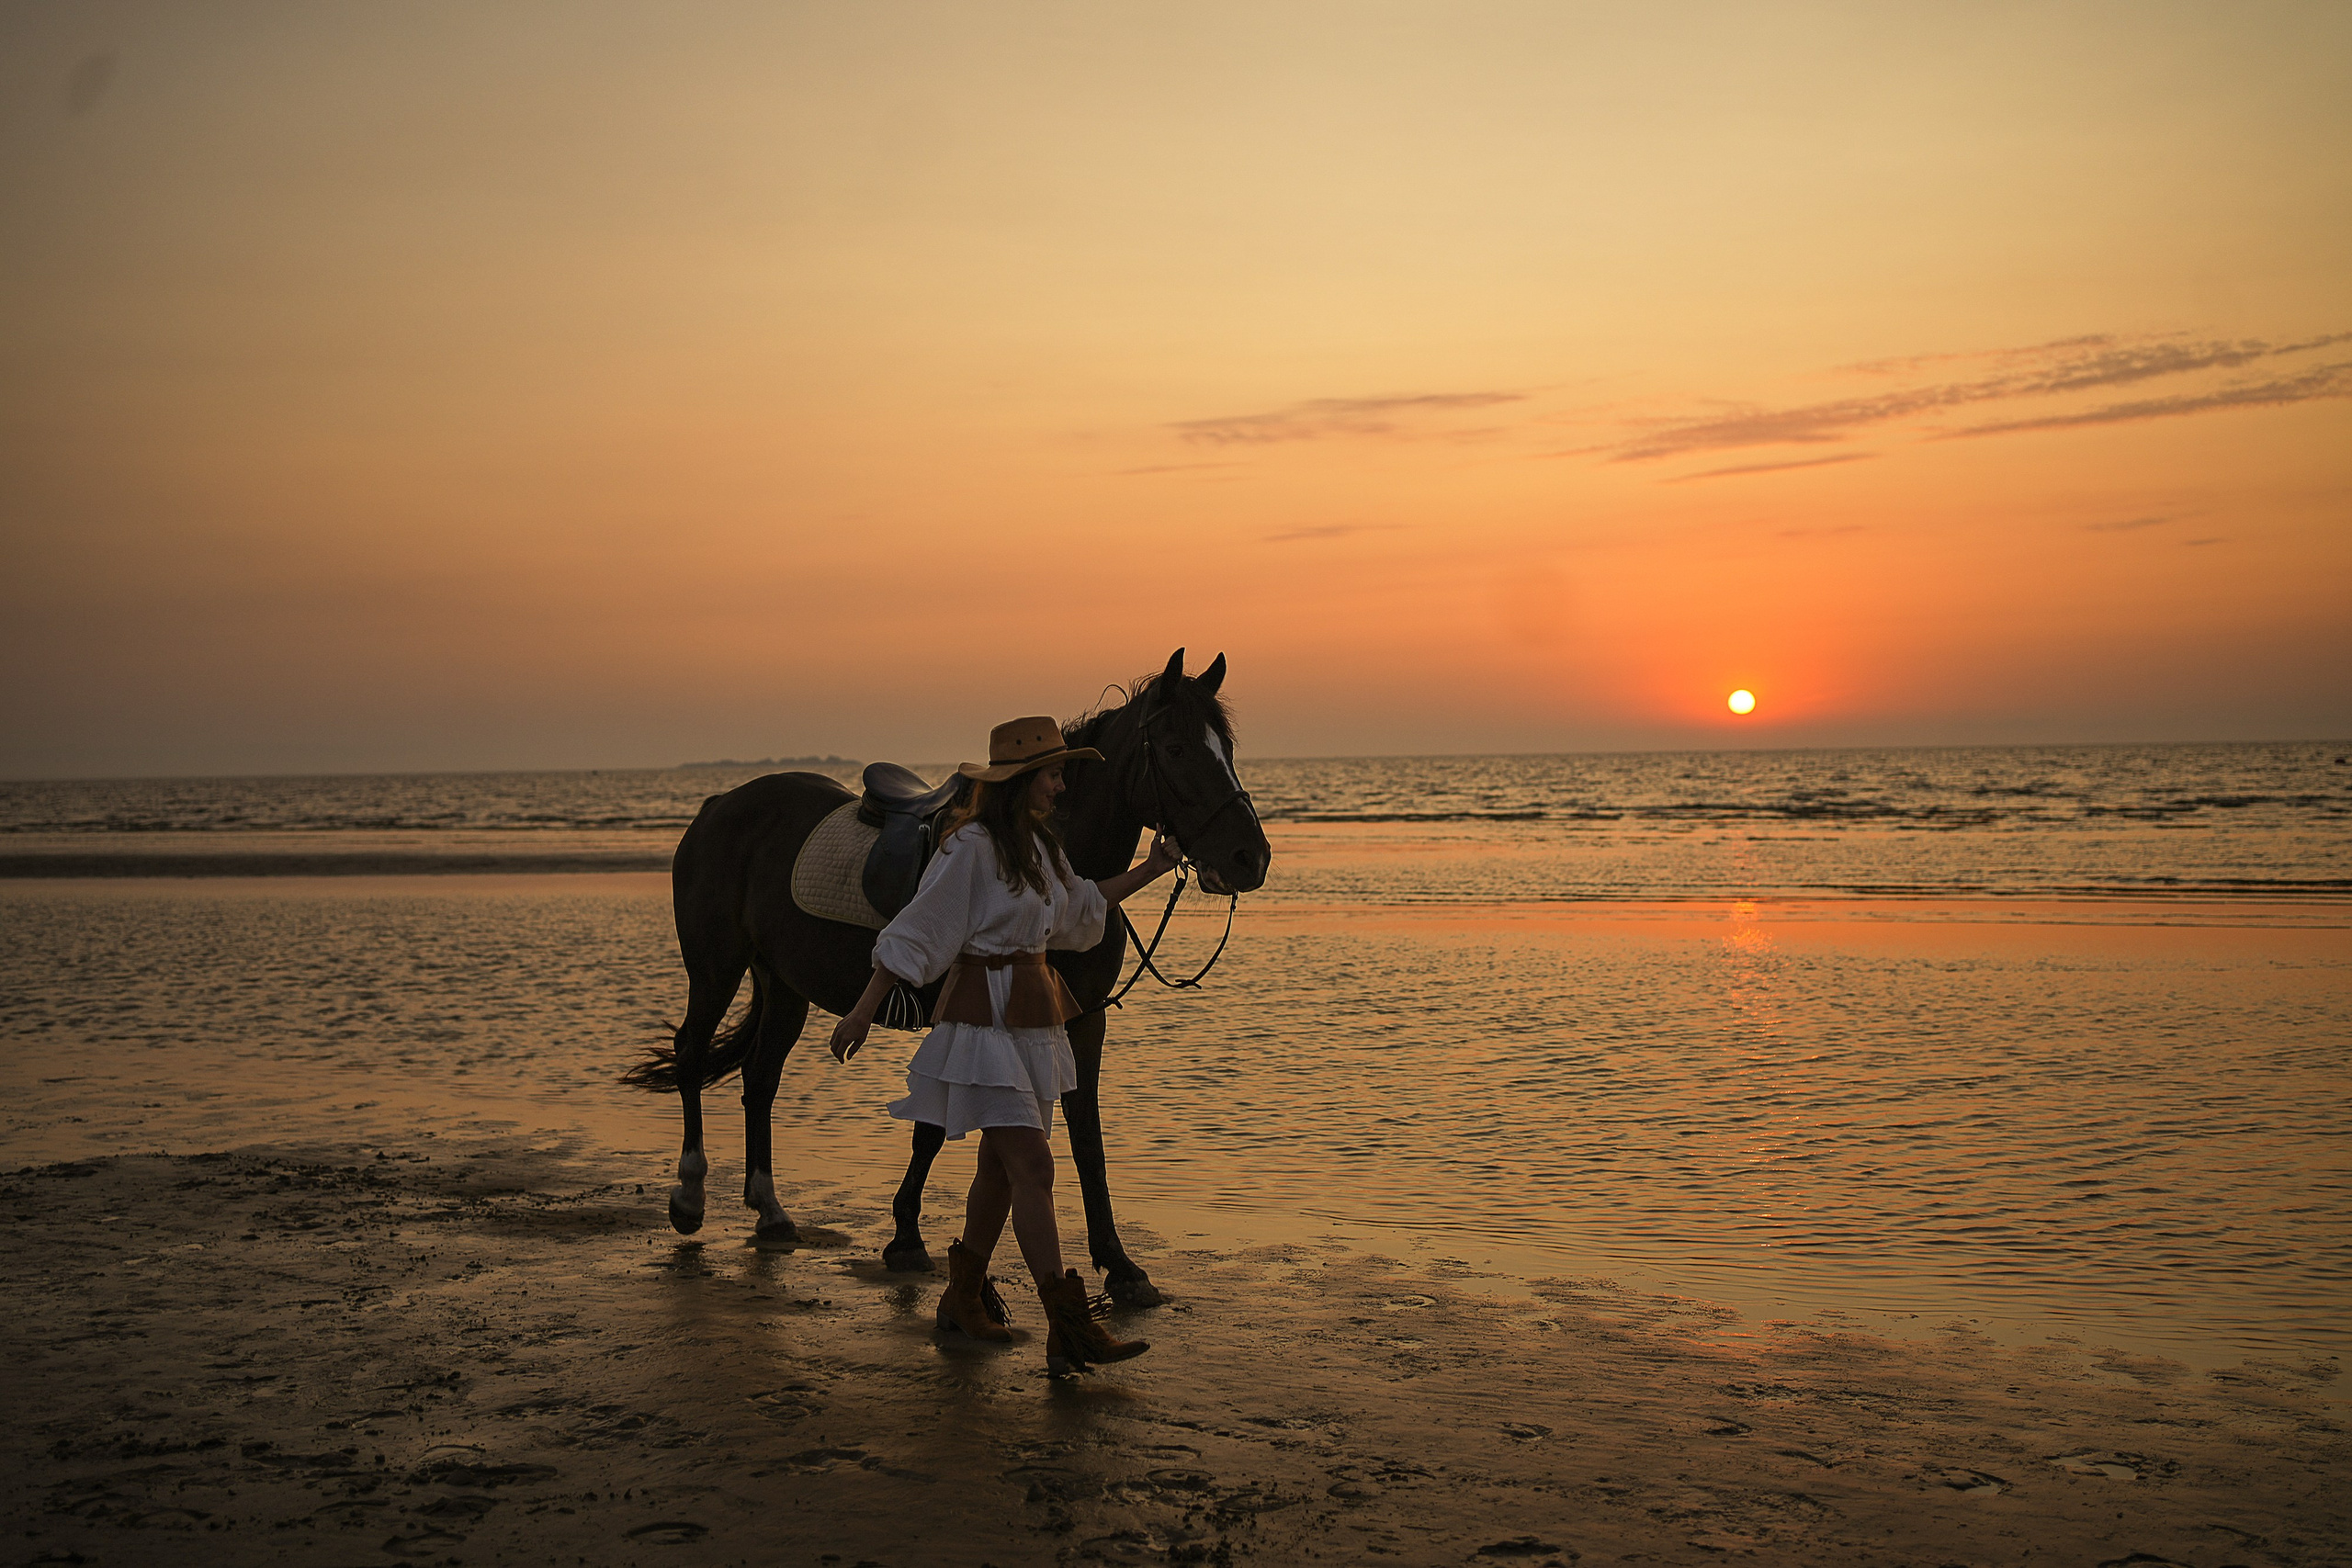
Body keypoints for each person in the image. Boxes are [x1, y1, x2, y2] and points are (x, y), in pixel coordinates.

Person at [829, 716, 1182, 1374]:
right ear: (1022, 781)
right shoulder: (971, 849)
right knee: (1034, 1167)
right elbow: (920, 930)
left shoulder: (1040, 848)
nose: (1061, 783)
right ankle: (1068, 1326)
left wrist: (1152, 870)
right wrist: (861, 1010)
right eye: (1053, 773)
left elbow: (1080, 911)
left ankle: (964, 1297)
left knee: (997, 1170)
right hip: (982, 1019)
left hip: (1030, 1017)